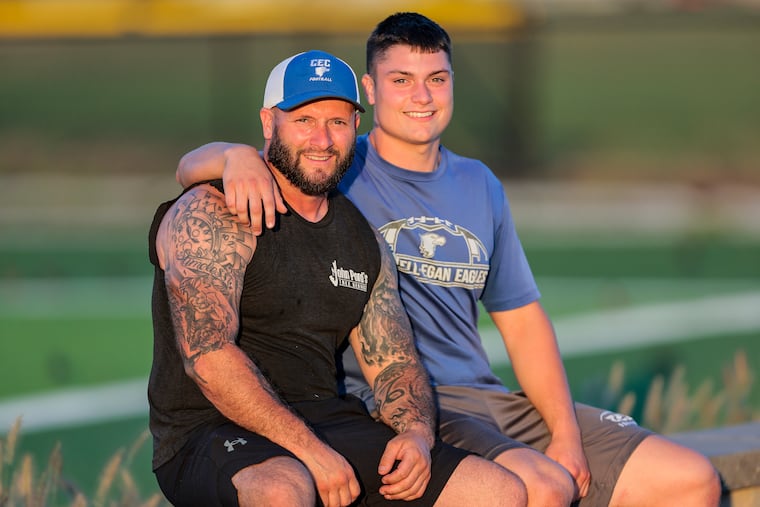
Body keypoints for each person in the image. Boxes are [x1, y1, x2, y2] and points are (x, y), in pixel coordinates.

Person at [176, 13, 722, 507]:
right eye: (401, 80)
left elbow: (524, 321)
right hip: (406, 403)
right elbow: (205, 165)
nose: (422, 96)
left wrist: (566, 435)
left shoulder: (479, 184)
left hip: (488, 395)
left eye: (436, 79)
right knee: (541, 489)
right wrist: (234, 156)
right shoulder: (340, 165)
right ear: (370, 90)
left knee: (692, 480)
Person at [148, 49, 528, 507]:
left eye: (338, 122)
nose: (322, 139)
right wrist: (311, 453)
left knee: (500, 492)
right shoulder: (212, 210)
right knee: (284, 490)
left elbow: (393, 364)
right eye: (305, 120)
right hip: (212, 429)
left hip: (326, 419)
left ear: (355, 128)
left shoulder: (363, 238)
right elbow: (208, 358)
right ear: (270, 124)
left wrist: (416, 435)